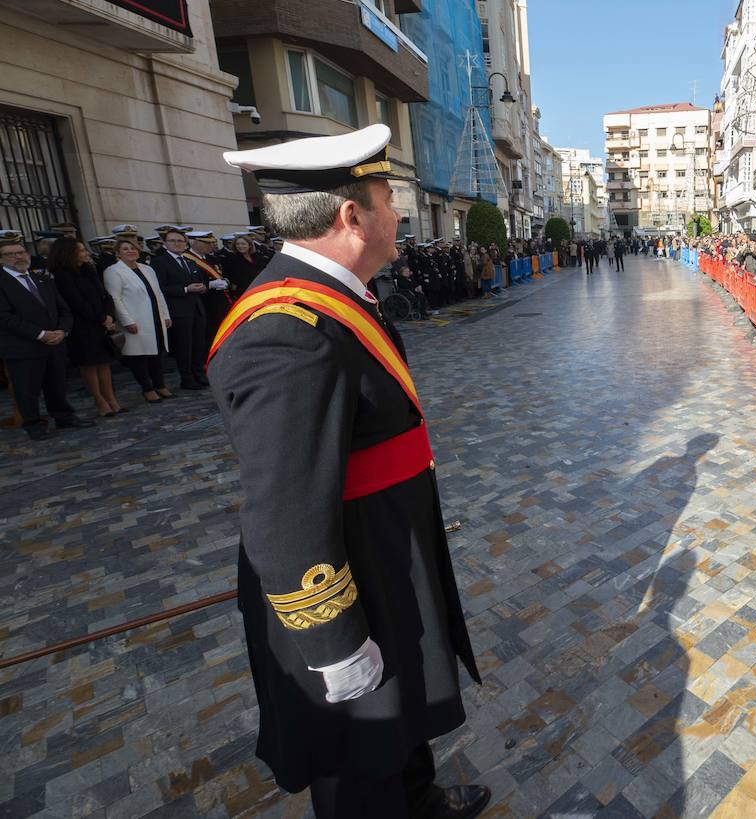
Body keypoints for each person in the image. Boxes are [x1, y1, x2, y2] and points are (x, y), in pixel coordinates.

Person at [215, 124, 487, 818]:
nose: (398, 213)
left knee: (403, 715)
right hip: (345, 577)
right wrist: (334, 643)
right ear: (350, 216)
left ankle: (419, 799)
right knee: (358, 753)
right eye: (388, 198)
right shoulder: (286, 330)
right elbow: (283, 515)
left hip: (385, 553)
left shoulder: (337, 296)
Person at [0, 231, 92, 439]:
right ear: (1, 260)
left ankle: (64, 416)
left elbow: (64, 309)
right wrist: (41, 334)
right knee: (27, 389)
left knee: (57, 383)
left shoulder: (41, 279)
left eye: (21, 252)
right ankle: (34, 425)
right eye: (11, 254)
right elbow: (5, 318)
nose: (19, 257)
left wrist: (63, 330)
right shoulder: (3, 282)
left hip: (55, 342)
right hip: (23, 347)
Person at [47, 237, 124, 417]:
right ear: (68, 253)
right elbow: (76, 302)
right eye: (81, 250)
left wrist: (109, 315)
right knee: (89, 364)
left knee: (104, 363)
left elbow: (105, 295)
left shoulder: (89, 270)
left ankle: (112, 399)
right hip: (82, 326)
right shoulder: (62, 274)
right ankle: (100, 400)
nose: (85, 253)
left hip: (101, 323)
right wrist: (100, 317)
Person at [104, 238, 173, 404]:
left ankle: (160, 385)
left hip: (154, 317)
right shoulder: (113, 271)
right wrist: (127, 321)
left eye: (133, 248)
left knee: (157, 353)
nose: (130, 251)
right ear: (118, 253)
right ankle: (147, 389)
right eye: (125, 249)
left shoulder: (147, 269)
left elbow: (158, 294)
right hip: (134, 319)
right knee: (138, 356)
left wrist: (165, 315)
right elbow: (115, 298)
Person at [150, 229, 211, 390]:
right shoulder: (160, 262)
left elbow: (198, 280)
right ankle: (187, 378)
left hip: (196, 307)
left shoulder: (188, 261)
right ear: (165, 243)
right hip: (178, 309)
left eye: (180, 241)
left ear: (186, 243)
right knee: (184, 346)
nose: (177, 244)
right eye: (172, 241)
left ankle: (199, 374)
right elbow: (160, 288)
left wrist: (202, 287)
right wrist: (185, 289)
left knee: (198, 344)